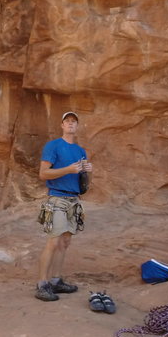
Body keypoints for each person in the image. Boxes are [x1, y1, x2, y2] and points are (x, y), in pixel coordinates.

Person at [35, 111, 93, 301]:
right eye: (67, 121)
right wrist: (68, 169)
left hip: (73, 199)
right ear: (61, 125)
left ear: (77, 126)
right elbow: (43, 174)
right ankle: (42, 284)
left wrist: (87, 172)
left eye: (74, 122)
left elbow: (83, 182)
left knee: (65, 242)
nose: (70, 124)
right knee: (53, 241)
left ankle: (56, 281)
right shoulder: (53, 146)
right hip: (57, 198)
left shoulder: (80, 150)